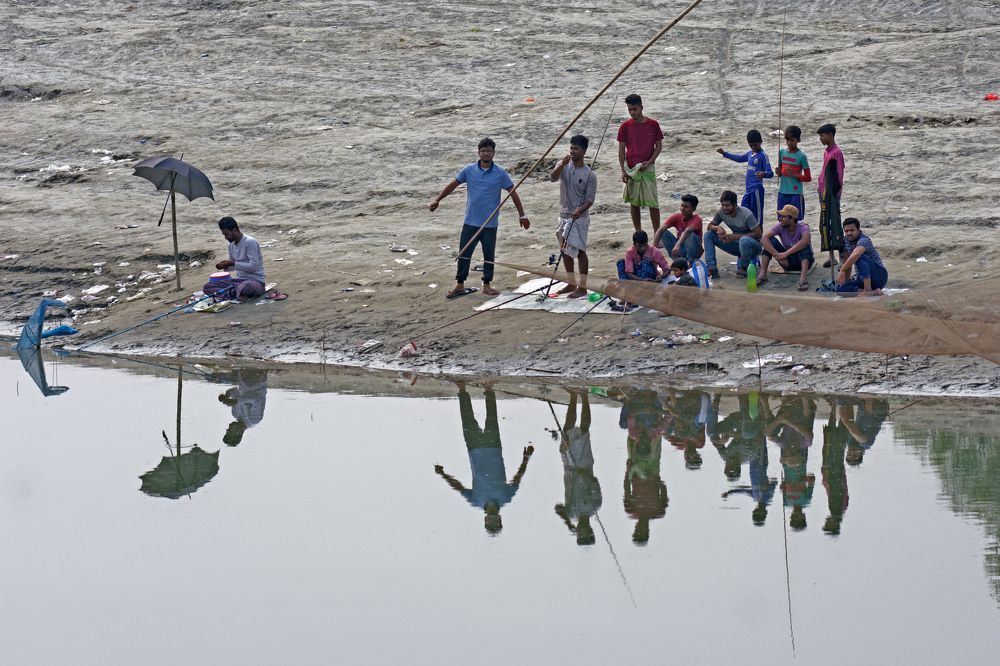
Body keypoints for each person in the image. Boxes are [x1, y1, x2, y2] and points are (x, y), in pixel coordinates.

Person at [429, 138, 530, 299]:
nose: (486, 153)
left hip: (490, 223)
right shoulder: (469, 170)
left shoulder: (500, 173)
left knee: (488, 256)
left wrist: (522, 214)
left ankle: (487, 285)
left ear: (494, 153)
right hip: (470, 221)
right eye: (483, 151)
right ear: (479, 153)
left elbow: (512, 192)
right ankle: (460, 284)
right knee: (464, 253)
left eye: (489, 151)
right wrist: (438, 199)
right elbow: (454, 184)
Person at [434, 382, 534, 535]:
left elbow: (458, 487)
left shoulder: (476, 500)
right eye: (496, 523)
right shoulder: (506, 497)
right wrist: (526, 458)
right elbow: (518, 478)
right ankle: (488, 389)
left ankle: (462, 389)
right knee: (492, 418)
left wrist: (443, 474)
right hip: (494, 448)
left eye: (490, 523)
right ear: (500, 520)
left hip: (474, 450)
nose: (492, 521)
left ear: (485, 521)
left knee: (467, 419)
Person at [549, 134, 597, 298]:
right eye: (571, 148)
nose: (573, 151)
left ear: (584, 151)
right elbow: (552, 178)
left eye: (576, 149)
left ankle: (582, 287)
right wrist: (561, 165)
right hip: (563, 214)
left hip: (579, 218)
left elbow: (590, 200)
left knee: (580, 251)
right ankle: (571, 282)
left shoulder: (590, 174)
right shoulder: (563, 165)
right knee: (564, 249)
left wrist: (580, 210)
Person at [554, 389, 602, 546]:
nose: (581, 531)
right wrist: (583, 476)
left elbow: (558, 508)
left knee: (567, 430)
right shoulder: (594, 506)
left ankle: (573, 396)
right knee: (584, 430)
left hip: (569, 468)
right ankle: (584, 396)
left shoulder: (572, 513)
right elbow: (595, 483)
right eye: (585, 533)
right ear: (590, 530)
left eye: (579, 534)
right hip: (584, 464)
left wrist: (568, 524)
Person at [617, 93, 663, 234]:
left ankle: (657, 234)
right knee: (634, 202)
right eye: (630, 109)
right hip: (631, 168)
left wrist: (649, 162)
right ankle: (638, 232)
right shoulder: (625, 126)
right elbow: (621, 149)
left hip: (647, 168)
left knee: (653, 203)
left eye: (635, 109)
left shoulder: (653, 125)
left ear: (641, 107)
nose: (632, 112)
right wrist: (623, 171)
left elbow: (659, 146)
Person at [717, 129, 773, 225]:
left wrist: (764, 174)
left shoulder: (763, 156)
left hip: (757, 190)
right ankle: (745, 233)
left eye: (755, 145)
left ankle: (759, 236)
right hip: (748, 190)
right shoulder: (750, 154)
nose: (753, 147)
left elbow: (770, 173)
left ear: (761, 142)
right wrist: (725, 154)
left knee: (757, 217)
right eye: (751, 145)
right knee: (743, 213)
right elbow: (739, 158)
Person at [703, 190, 762, 279]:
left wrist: (734, 237)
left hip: (753, 247)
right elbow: (710, 226)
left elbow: (759, 234)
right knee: (708, 234)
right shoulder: (722, 212)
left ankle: (743, 267)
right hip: (736, 246)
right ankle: (712, 268)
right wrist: (718, 228)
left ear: (735, 205)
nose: (725, 208)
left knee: (744, 240)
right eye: (723, 205)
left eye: (727, 205)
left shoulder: (746, 214)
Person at [205, 217, 265, 301]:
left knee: (246, 286)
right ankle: (236, 293)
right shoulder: (231, 245)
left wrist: (232, 263)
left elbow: (253, 267)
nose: (225, 237)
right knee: (208, 287)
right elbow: (233, 267)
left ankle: (232, 293)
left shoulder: (250, 242)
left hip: (255, 281)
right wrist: (225, 266)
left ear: (234, 230)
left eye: (226, 234)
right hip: (238, 281)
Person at [759, 203, 815, 290]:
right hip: (788, 262)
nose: (780, 219)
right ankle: (763, 274)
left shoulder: (803, 227)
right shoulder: (780, 226)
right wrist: (777, 255)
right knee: (770, 241)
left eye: (783, 217)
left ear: (792, 218)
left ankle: (803, 278)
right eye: (780, 216)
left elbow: (805, 240)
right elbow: (764, 238)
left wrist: (785, 254)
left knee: (804, 246)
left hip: (805, 262)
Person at [817, 123, 846, 267]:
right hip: (822, 192)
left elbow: (839, 175)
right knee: (825, 223)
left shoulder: (836, 153)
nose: (821, 138)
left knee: (835, 223)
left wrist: (836, 194)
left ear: (830, 135)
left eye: (822, 135)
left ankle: (842, 258)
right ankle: (831, 256)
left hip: (832, 194)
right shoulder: (826, 152)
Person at [836, 218, 888, 294]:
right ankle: (873, 292)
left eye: (852, 230)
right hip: (863, 278)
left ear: (858, 229)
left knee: (858, 256)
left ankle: (867, 290)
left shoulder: (864, 240)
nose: (849, 233)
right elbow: (848, 264)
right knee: (840, 289)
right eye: (846, 231)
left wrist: (842, 270)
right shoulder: (846, 241)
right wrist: (845, 282)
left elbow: (856, 254)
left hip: (879, 276)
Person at [218, 367, 268, 447]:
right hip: (257, 384)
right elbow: (256, 399)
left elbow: (235, 391)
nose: (228, 428)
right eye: (229, 431)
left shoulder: (235, 414)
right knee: (235, 375)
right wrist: (235, 401)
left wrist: (226, 395)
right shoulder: (254, 420)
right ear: (238, 433)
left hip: (244, 383)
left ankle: (241, 368)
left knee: (216, 378)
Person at [775, 125, 811, 222]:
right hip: (782, 192)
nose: (789, 143)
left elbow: (808, 177)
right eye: (787, 140)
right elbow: (781, 171)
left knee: (796, 220)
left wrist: (794, 174)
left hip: (796, 193)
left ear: (798, 140)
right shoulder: (781, 152)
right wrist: (778, 172)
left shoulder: (802, 156)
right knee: (781, 219)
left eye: (792, 140)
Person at [653, 193, 703, 262]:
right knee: (663, 232)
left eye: (686, 207)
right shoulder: (677, 217)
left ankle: (690, 263)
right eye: (682, 205)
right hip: (680, 249)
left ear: (693, 209)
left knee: (690, 234)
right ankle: (677, 261)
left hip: (694, 251)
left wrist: (677, 245)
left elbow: (688, 231)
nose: (682, 208)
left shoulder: (697, 219)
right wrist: (653, 251)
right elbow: (660, 230)